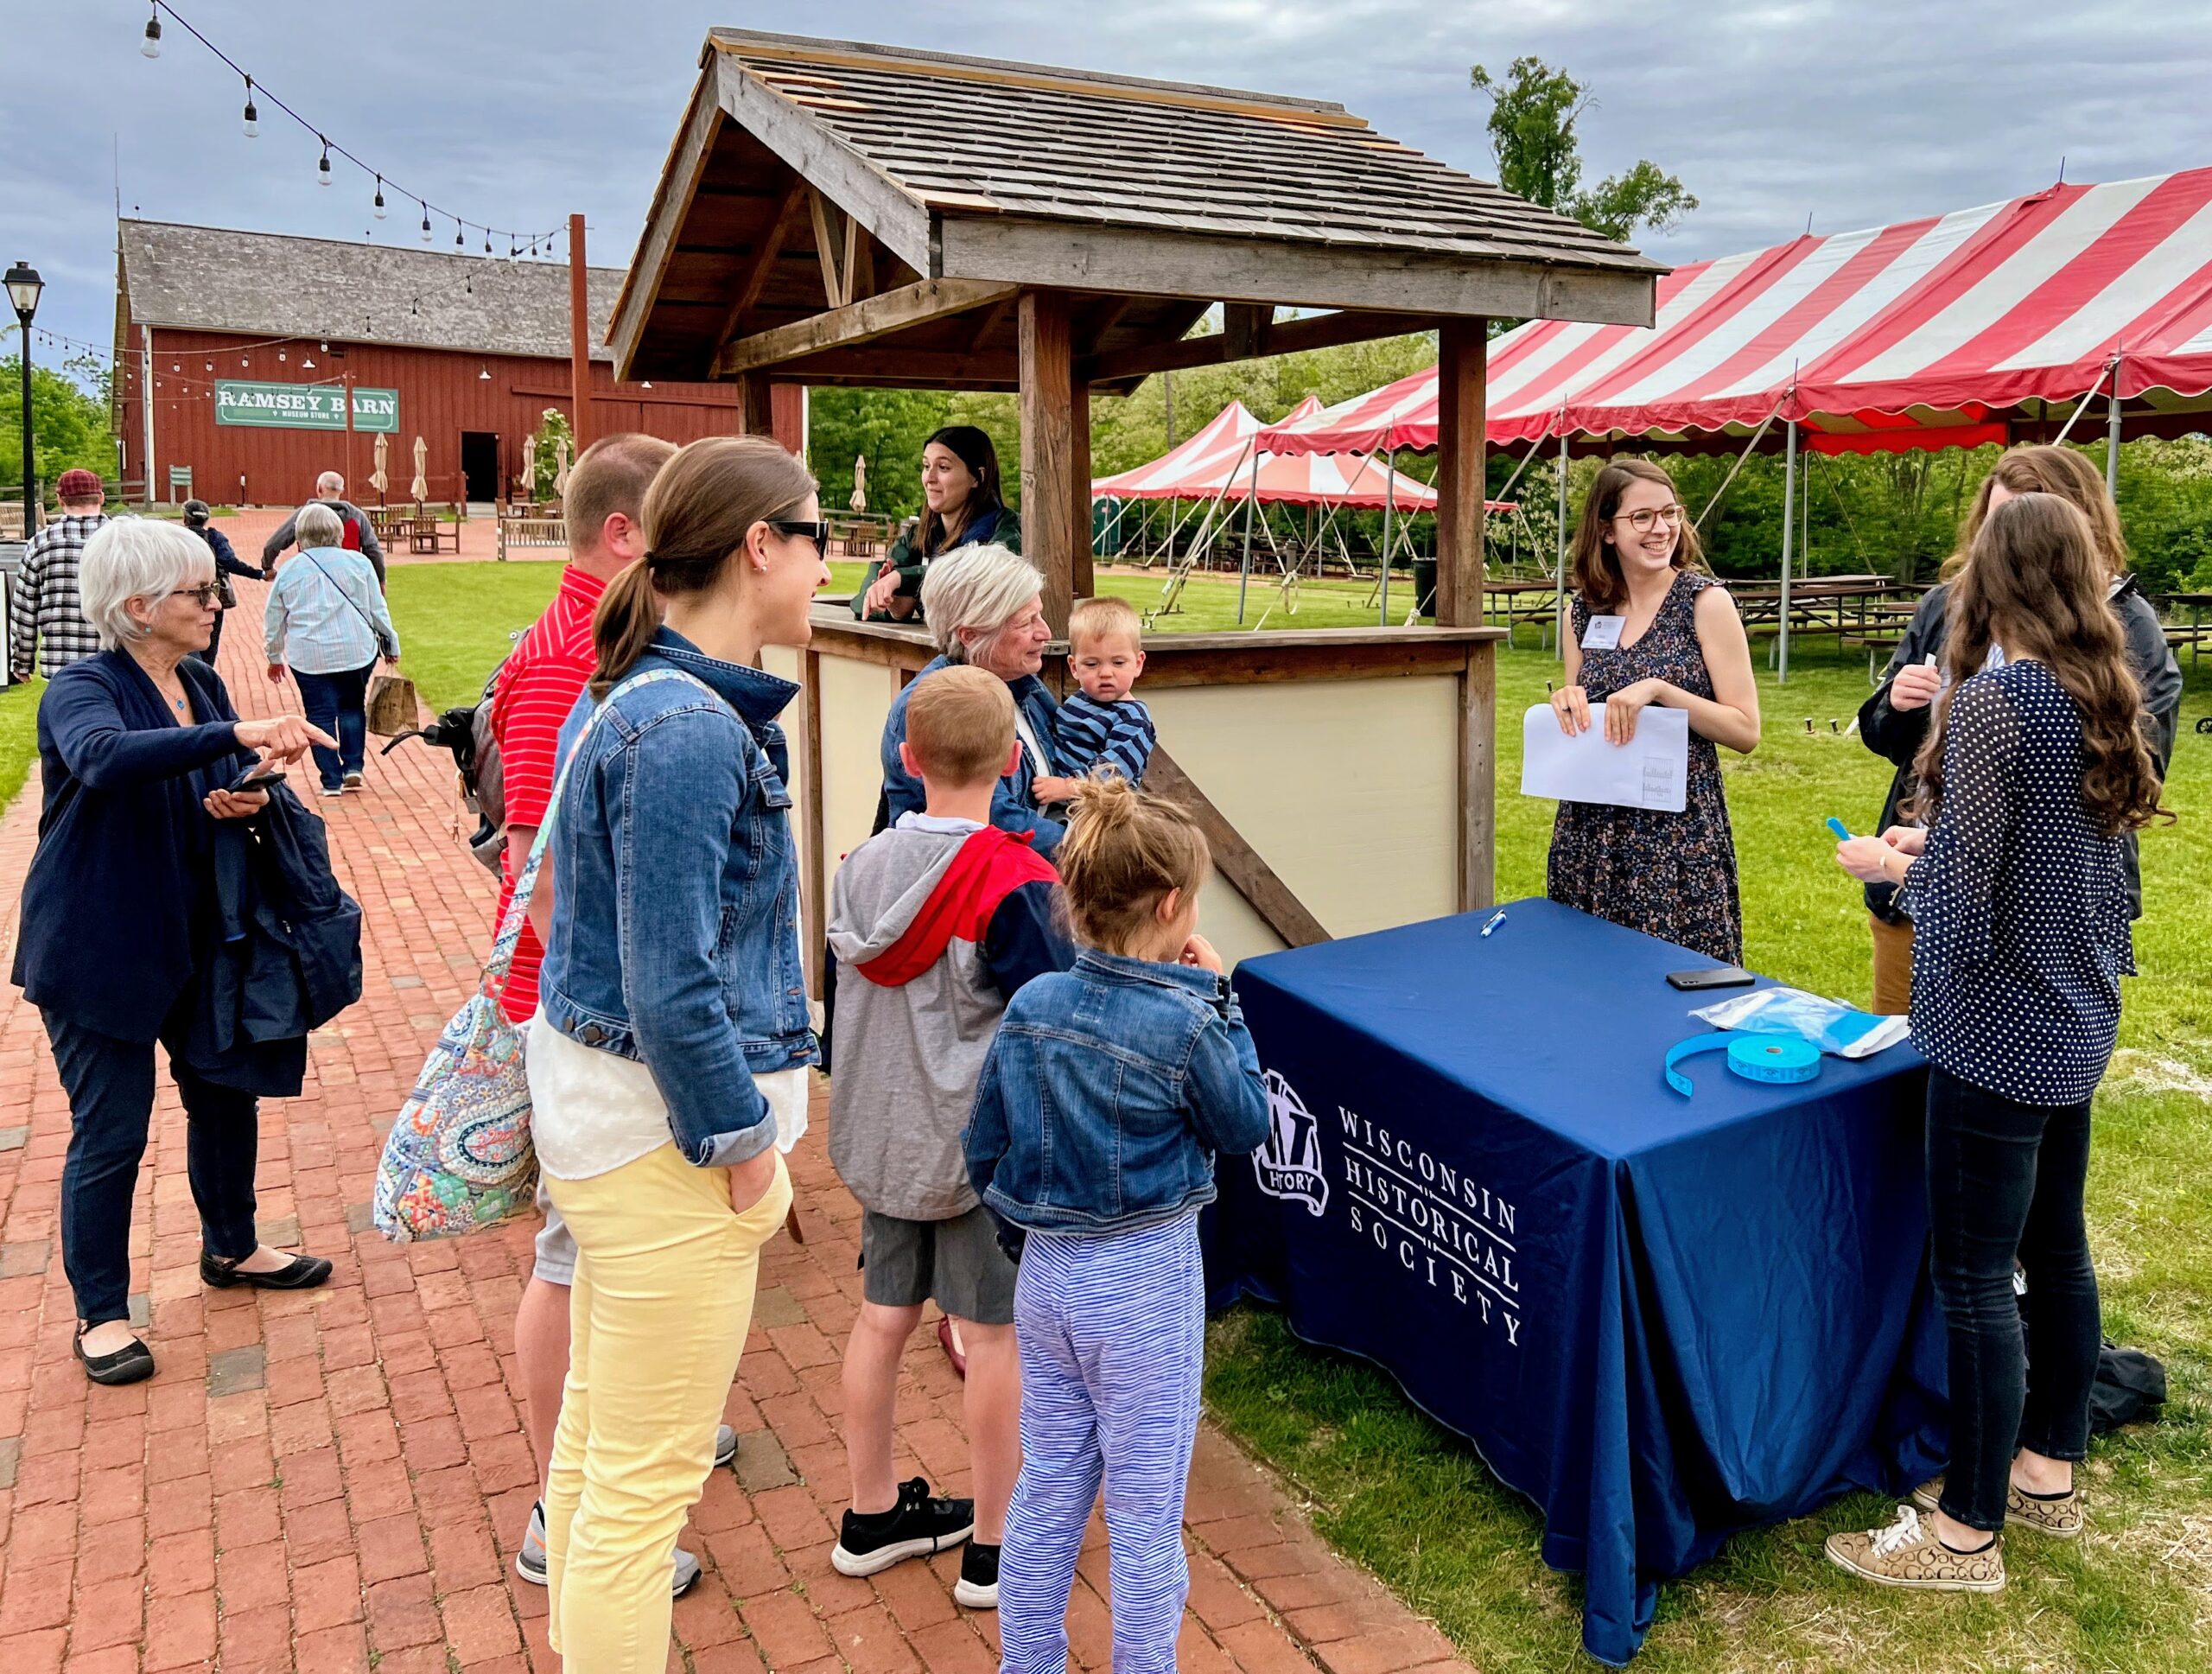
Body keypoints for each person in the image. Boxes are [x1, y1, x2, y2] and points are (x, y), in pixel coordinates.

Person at [1827, 493, 2168, 1594]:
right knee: (2055, 1246)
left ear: (1995, 578)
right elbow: (2069, 866)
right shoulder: (2095, 692)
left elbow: (1965, 907)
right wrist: (1947, 840)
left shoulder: (1996, 701)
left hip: (1992, 1024)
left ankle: (1965, 1529)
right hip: (2073, 1011)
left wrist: (1898, 869)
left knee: (1974, 1273)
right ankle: (2045, 1472)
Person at [528, 435, 826, 1673]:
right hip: (668, 1154)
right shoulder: (689, 726)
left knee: (599, 1468)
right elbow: (670, 980)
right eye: (818, 537)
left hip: (627, 1143)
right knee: (638, 1501)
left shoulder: (651, 700)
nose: (830, 566)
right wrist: (747, 1151)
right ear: (760, 547)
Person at [488, 433, 744, 1595]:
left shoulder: (610, 642)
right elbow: (542, 865)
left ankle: (653, 1434)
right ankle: (559, 1504)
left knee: (614, 1251)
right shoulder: (565, 660)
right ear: (625, 535)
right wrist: (614, 1011)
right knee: (570, 1251)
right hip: (583, 1019)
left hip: (600, 1012)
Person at [12, 519, 340, 1385]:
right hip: (100, 945)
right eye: (199, 591)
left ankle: (232, 1246)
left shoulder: (196, 677)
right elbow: (107, 761)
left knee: (225, 1096)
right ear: (137, 606)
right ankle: (104, 1311)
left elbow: (191, 783)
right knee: (112, 1129)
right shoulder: (83, 688)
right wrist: (234, 737)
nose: (216, 602)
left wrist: (233, 795)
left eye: (213, 588)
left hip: (200, 934)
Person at [968, 776, 1270, 1673]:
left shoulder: (1031, 1007)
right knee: (1143, 1513)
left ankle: (1029, 1661)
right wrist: (1222, 999)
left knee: (1050, 1481)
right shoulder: (1188, 1020)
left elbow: (983, 1147)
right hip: (1144, 1281)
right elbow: (1246, 1124)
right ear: (1174, 904)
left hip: (1049, 1278)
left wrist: (1029, 1228)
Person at [824, 665, 1073, 1613]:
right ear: (1014, 761)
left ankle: (869, 1509)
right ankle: (997, 1548)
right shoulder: (1017, 881)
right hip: (975, 1151)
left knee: (881, 1317)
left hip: (881, 1136)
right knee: (991, 1336)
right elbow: (1052, 1018)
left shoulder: (857, 866)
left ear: (904, 755)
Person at [1855, 443, 2182, 1015]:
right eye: (1996, 525)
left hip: (2047, 913)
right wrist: (1899, 705)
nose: (2009, 546)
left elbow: (2133, 771)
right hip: (1923, 883)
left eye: (2026, 523)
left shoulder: (2127, 623)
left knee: (2003, 1082)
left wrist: (1932, 858)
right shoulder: (1946, 605)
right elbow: (1886, 738)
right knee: (1902, 1073)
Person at [1545, 459, 1760, 964]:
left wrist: (1662, 690)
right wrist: (1566, 699)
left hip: (1675, 834)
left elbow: (1746, 730)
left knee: (1678, 980)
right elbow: (1584, 705)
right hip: (1590, 827)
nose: (1661, 528)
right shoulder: (1583, 611)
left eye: (1669, 513)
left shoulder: (1704, 603)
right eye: (1642, 517)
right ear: (1606, 532)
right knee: (1587, 976)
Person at [878, 544, 1063, 855]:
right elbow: (1001, 826)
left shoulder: (1023, 685)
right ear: (970, 635)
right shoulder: (935, 708)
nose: (1045, 632)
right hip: (980, 893)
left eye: (1039, 616)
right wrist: (1099, 847)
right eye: (1026, 622)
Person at [264, 502, 401, 796]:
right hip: (356, 651)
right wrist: (391, 642)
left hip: (309, 655)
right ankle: (353, 766)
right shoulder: (360, 563)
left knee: (320, 714)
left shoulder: (289, 571)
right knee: (352, 707)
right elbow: (378, 610)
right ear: (339, 533)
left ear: (300, 537)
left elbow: (274, 618)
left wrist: (274, 656)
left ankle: (331, 780)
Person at [853, 426, 1020, 621]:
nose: (929, 478)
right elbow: (863, 599)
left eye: (943, 467)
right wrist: (893, 606)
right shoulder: (918, 536)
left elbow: (980, 574)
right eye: (926, 466)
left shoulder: (1007, 527)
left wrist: (904, 579)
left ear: (977, 477)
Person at [1036, 594, 1156, 798]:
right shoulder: (1077, 702)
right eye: (1092, 664)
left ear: (1138, 663)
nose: (1106, 673)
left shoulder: (1133, 720)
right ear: (1074, 667)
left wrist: (1068, 788)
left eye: (1118, 662)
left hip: (1101, 815)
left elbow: (1114, 775)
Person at [9, 467, 111, 682]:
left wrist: (22, 660)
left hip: (61, 661)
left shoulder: (40, 543)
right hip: (119, 657)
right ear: (101, 497)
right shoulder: (127, 539)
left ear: (60, 500)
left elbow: (25, 608)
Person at [261, 470, 387, 586]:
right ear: (341, 491)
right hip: (349, 581)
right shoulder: (357, 516)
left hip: (310, 579)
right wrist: (380, 580)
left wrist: (268, 567)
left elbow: (274, 543)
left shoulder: (303, 515)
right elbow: (373, 550)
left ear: (319, 489)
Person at [182, 499, 264, 668]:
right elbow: (231, 563)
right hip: (213, 596)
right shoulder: (215, 538)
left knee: (185, 642)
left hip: (182, 598)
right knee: (209, 644)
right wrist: (260, 574)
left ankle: (190, 674)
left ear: (185, 518)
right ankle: (205, 675)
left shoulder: (177, 538)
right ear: (206, 519)